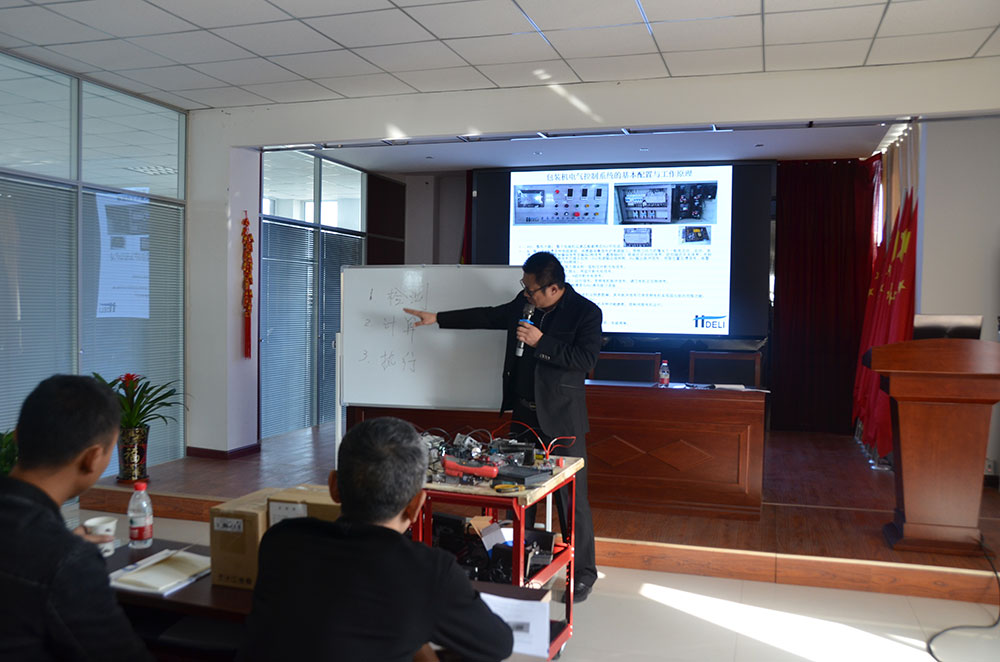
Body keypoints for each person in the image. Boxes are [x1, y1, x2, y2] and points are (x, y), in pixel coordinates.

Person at [404, 251, 602, 603]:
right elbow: (489, 315)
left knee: (571, 501)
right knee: (519, 495)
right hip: (523, 414)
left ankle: (583, 573)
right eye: (524, 286)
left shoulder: (586, 312)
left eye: (531, 289)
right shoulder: (524, 305)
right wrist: (438, 318)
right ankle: (520, 563)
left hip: (562, 419)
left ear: (554, 288)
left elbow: (585, 360)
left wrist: (541, 342)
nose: (525, 293)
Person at [238, 417, 513, 662]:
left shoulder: (281, 540)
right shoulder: (429, 572)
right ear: (416, 505)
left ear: (334, 487)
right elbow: (498, 645)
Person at [0, 374, 151, 661]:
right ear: (92, 458)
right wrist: (65, 552)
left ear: (17, 436)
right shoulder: (67, 561)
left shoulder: (54, 550)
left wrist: (60, 543)